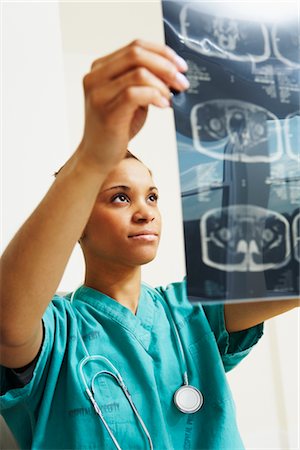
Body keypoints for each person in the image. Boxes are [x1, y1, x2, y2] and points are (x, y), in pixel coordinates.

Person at [0, 40, 299, 450]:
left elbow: (290, 272)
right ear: (77, 222)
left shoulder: (195, 314)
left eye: (152, 196)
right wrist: (92, 156)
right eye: (120, 197)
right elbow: (7, 325)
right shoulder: (57, 333)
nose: (146, 212)